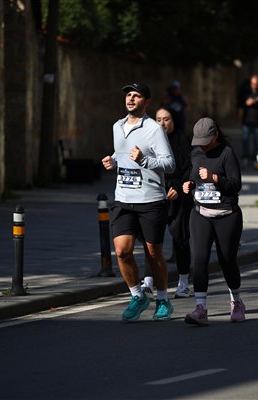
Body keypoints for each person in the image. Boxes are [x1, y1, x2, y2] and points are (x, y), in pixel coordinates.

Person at [101, 82, 176, 321]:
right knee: (122, 251)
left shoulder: (154, 129)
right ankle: (137, 296)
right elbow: (122, 153)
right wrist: (113, 160)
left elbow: (169, 163)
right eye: (129, 95)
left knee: (153, 254)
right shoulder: (117, 126)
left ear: (147, 102)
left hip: (150, 200)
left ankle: (163, 300)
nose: (131, 99)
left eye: (137, 95)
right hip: (123, 198)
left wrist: (144, 160)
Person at [182, 118, 245, 326]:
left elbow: (236, 184)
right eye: (199, 141)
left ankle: (236, 301)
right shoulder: (196, 153)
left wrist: (215, 178)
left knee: (227, 260)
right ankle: (200, 308)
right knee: (199, 259)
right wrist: (189, 184)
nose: (203, 145)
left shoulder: (227, 153)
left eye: (206, 141)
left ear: (215, 135)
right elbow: (193, 176)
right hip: (201, 214)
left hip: (227, 214)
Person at [141, 106, 193, 299]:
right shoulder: (149, 140)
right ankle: (148, 282)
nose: (162, 123)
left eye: (167, 119)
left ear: (174, 121)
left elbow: (189, 169)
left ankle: (183, 283)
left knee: (180, 238)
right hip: (155, 193)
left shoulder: (181, 141)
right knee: (151, 238)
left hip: (177, 195)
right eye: (158, 119)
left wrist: (178, 188)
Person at [237, 74, 258, 166]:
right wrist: (246, 103)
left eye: (256, 84)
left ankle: (257, 160)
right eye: (253, 83)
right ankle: (245, 158)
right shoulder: (246, 92)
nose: (254, 85)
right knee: (245, 141)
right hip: (247, 121)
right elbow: (239, 104)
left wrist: (255, 102)